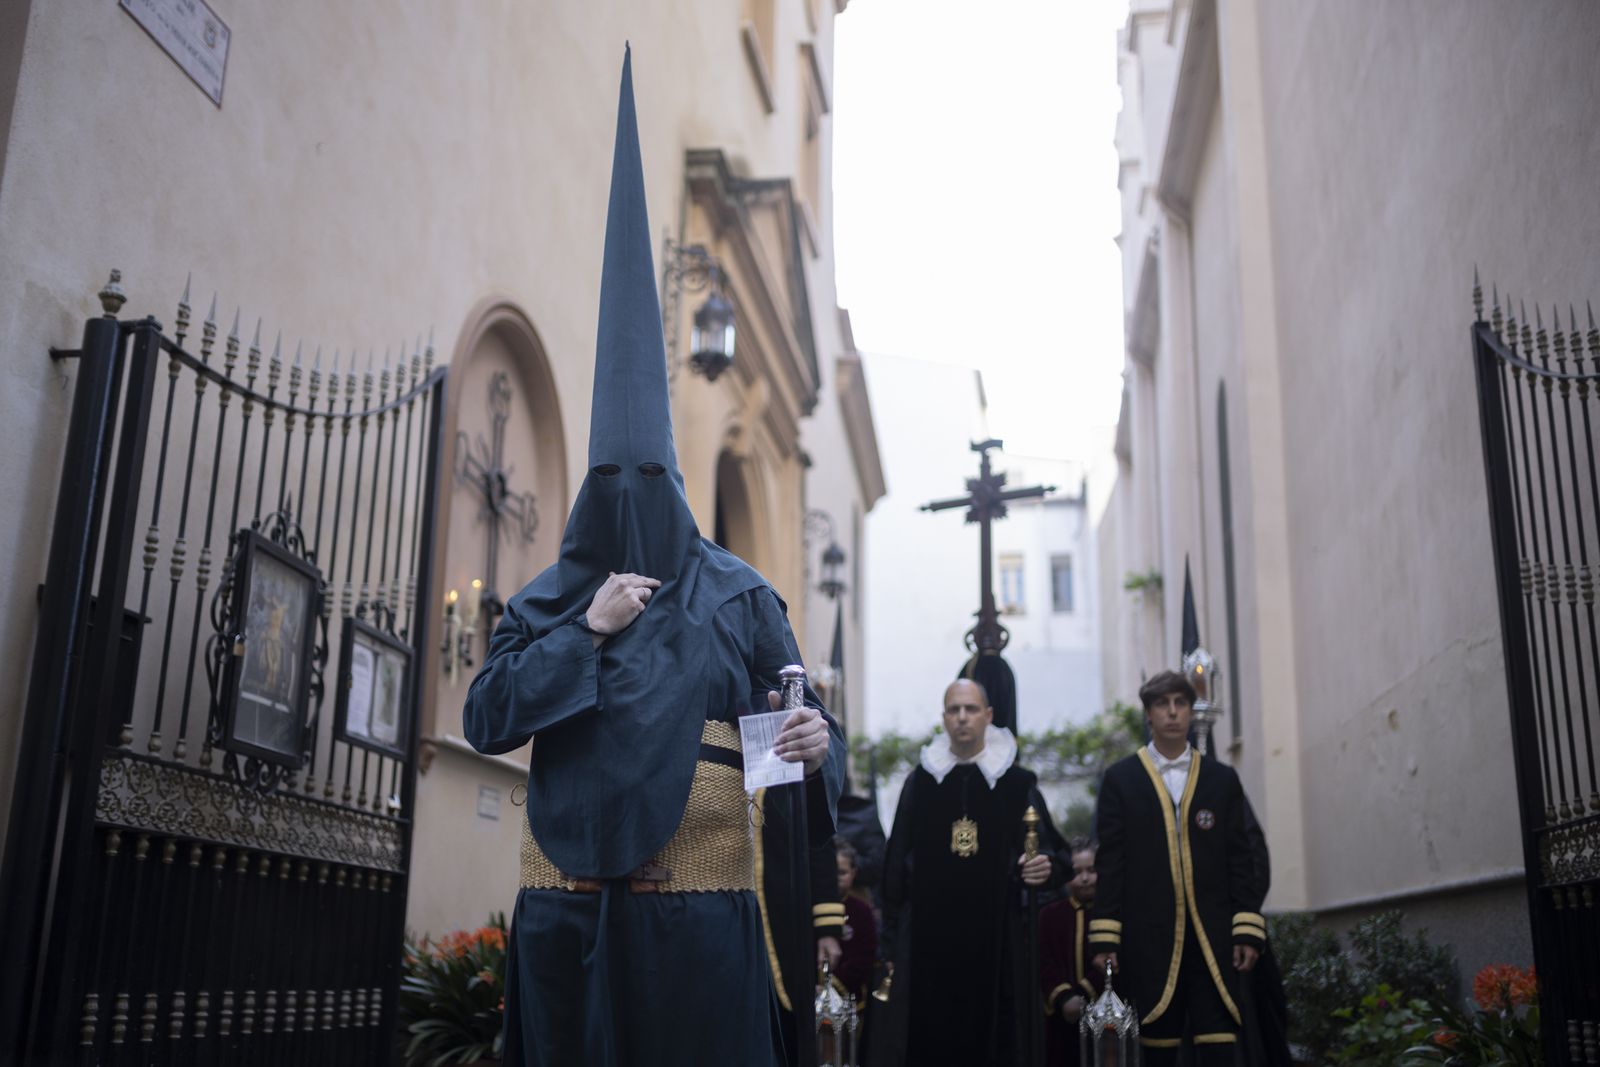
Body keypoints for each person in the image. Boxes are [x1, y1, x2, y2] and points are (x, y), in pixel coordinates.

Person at [463, 47, 845, 1067]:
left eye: (649, 478)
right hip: (567, 927)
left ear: (673, 481)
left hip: (699, 934)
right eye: (610, 480)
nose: (629, 499)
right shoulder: (550, 600)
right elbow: (485, 716)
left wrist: (812, 741)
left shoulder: (738, 594)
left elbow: (791, 739)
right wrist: (586, 633)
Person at [870, 678, 1067, 1067]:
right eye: (954, 710)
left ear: (988, 716)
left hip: (997, 945)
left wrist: (1043, 866)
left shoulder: (1015, 783)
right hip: (929, 942)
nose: (962, 717)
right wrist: (891, 944)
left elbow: (1054, 856)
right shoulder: (922, 781)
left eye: (971, 709)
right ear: (944, 717)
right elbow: (894, 866)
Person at [1088, 670, 1265, 1066]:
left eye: (1180, 703)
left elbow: (1242, 856)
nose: (1172, 713)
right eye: (1162, 705)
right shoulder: (1120, 780)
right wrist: (1105, 937)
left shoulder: (1222, 779)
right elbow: (1110, 862)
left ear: (1190, 711)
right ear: (1148, 714)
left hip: (1213, 935)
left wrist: (1247, 926)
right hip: (1146, 935)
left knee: (1219, 1038)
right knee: (1156, 1042)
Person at [1039, 837, 1101, 1067]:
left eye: (1092, 870)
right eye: (1077, 872)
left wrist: (1084, 995)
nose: (1085, 878)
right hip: (1060, 1021)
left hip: (1105, 1019)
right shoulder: (1049, 915)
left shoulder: (1112, 914)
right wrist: (1064, 997)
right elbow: (1043, 962)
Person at [833, 839, 878, 1003]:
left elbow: (864, 958)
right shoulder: (809, 906)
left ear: (853, 873)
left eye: (842, 873)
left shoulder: (861, 910)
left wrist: (832, 984)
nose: (835, 878)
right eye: (831, 871)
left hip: (848, 996)